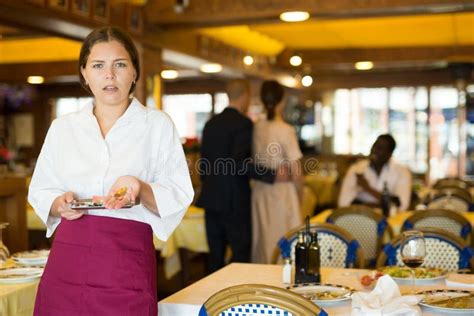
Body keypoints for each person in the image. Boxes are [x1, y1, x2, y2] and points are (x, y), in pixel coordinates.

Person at [28, 27, 193, 315]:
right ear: (84, 74)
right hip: (68, 257)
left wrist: (140, 188)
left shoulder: (156, 125)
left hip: (126, 258)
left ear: (134, 72)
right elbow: (41, 188)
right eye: (98, 66)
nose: (109, 75)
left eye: (120, 64)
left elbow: (178, 191)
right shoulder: (63, 128)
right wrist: (59, 203)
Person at [197, 79, 286, 273]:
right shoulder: (244, 124)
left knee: (215, 257)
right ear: (245, 96)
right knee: (240, 256)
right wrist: (271, 174)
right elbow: (239, 164)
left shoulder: (210, 124)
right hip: (235, 202)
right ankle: (236, 300)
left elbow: (203, 165)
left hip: (211, 200)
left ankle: (211, 300)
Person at [251, 80, 303, 264]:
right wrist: (300, 195)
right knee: (284, 243)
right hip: (282, 193)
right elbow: (296, 171)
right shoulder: (286, 130)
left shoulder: (257, 126)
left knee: (263, 242)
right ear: (283, 101)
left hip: (260, 191)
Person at [338, 134, 412, 214]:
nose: (374, 151)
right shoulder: (356, 169)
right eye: (374, 146)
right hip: (360, 218)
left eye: (380, 148)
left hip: (389, 222)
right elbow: (343, 203)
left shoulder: (402, 172)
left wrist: (367, 188)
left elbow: (402, 205)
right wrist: (383, 205)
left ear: (389, 154)